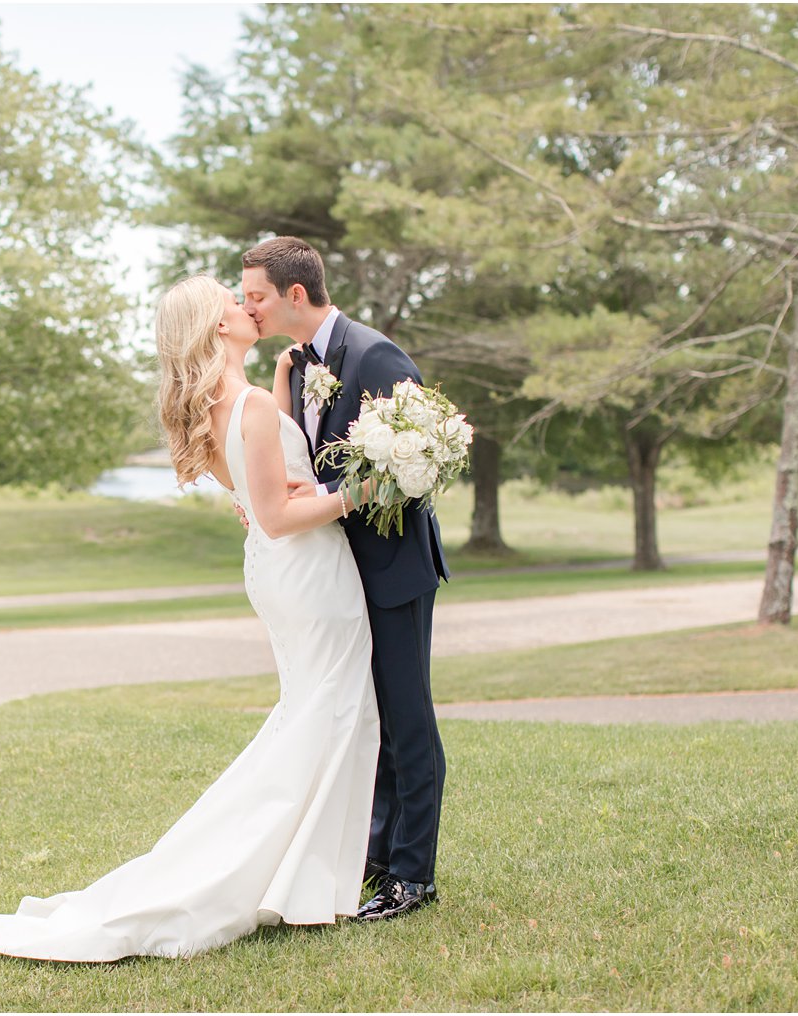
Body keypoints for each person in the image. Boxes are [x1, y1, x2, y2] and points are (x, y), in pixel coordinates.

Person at [0, 274, 380, 961]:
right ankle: (278, 876)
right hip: (307, 571)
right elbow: (280, 517)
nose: (246, 305)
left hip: (283, 576)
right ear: (218, 327)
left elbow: (269, 471)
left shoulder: (237, 401)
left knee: (321, 712)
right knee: (331, 714)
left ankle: (307, 875)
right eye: (234, 301)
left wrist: (285, 379)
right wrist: (360, 491)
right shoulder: (246, 406)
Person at [242, 236, 450, 922]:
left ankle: (414, 878)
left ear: (294, 294)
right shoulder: (300, 367)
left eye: (257, 298)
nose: (251, 308)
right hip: (337, 573)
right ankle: (379, 861)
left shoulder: (373, 354)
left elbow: (422, 460)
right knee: (368, 720)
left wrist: (344, 497)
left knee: (406, 720)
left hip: (391, 569)